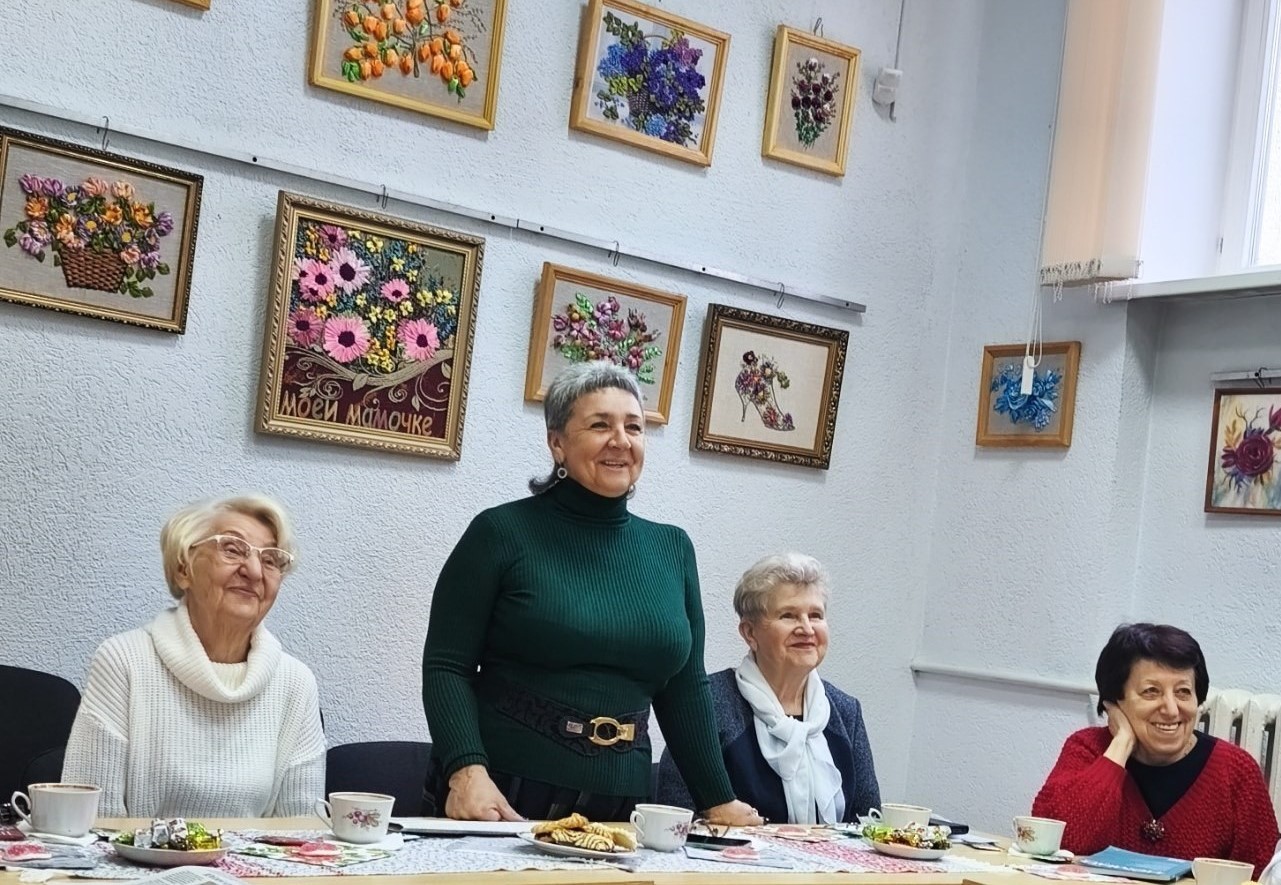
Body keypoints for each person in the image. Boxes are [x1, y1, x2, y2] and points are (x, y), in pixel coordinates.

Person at [421, 361, 762, 825]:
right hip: (503, 794)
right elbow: (447, 666)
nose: (620, 440)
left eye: (634, 427)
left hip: (623, 804)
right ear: (557, 442)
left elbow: (684, 689)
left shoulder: (672, 548)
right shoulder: (500, 532)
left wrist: (717, 799)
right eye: (600, 425)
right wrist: (465, 771)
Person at [62, 495, 325, 817]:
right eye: (233, 549)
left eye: (270, 560)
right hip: (136, 853)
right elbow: (88, 821)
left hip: (257, 855)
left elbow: (301, 830)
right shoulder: (124, 661)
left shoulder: (296, 683)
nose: (255, 571)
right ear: (183, 569)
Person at [1033, 623, 1278, 875]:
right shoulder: (1087, 749)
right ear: (1115, 701)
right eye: (1151, 692)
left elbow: (1266, 875)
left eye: (1183, 692)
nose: (1171, 710)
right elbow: (1058, 846)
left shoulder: (1236, 771)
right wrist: (1121, 744)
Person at [655, 553, 880, 824]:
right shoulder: (707, 705)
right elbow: (673, 817)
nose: (807, 628)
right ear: (750, 633)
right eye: (788, 616)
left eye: (815, 615)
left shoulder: (845, 711)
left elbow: (869, 823)